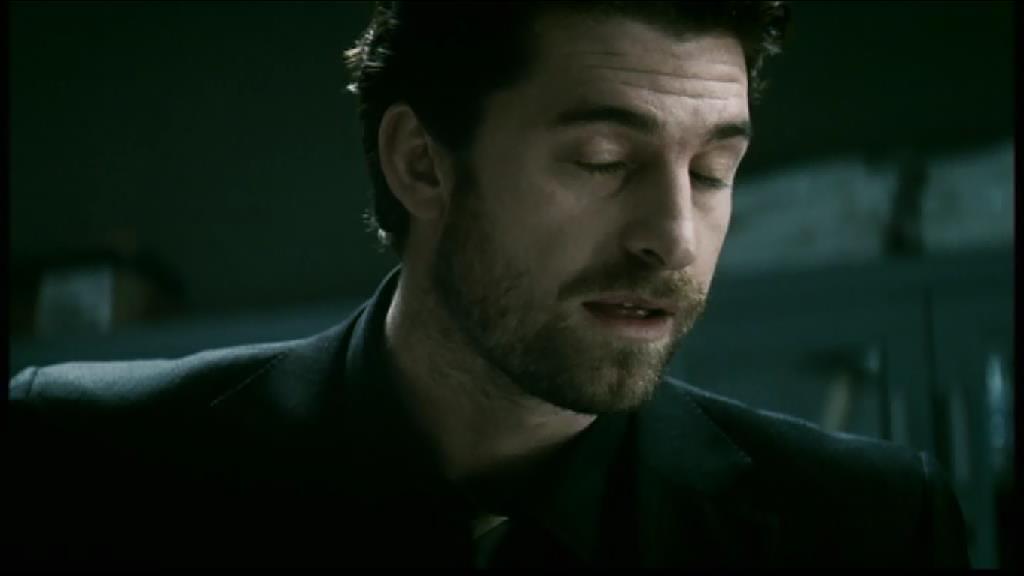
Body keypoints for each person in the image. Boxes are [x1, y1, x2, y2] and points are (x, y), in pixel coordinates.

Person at [5, 1, 969, 569]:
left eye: (713, 172)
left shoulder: (866, 531)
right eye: (602, 160)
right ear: (420, 163)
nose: (674, 237)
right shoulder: (88, 466)